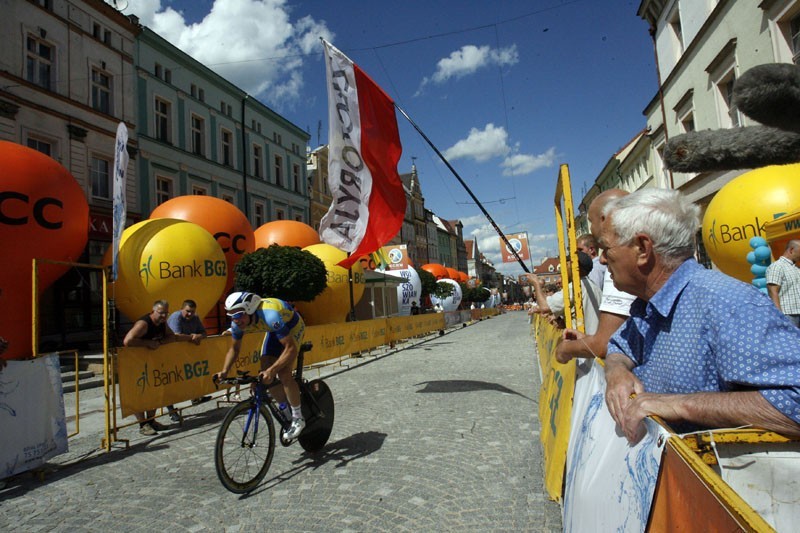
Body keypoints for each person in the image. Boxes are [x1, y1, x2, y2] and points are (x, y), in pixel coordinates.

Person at [600, 188, 800, 443]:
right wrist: (616, 371)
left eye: (606, 248)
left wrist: (680, 405)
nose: (603, 260)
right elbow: (620, 345)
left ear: (642, 248)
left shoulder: (728, 304)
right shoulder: (648, 302)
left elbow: (796, 399)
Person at [555, 189, 636, 363]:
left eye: (605, 247)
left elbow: (603, 343)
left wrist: (564, 348)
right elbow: (618, 342)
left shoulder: (621, 274)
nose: (602, 259)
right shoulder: (621, 270)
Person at [213, 292, 307, 441]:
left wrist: (273, 370)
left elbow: (291, 349)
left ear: (249, 309)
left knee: (283, 372)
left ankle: (298, 418)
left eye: (237, 315)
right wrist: (224, 371)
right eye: (231, 316)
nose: (235, 321)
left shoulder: (270, 315)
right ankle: (285, 410)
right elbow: (234, 349)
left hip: (292, 325)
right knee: (264, 371)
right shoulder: (237, 323)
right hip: (273, 330)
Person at [123, 300, 197, 435]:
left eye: (166, 313)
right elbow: (128, 341)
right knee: (139, 393)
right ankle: (143, 424)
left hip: (152, 363)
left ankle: (151, 421)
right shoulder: (143, 324)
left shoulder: (162, 324)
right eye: (161, 313)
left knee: (155, 391)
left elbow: (171, 336)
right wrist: (148, 343)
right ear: (153, 311)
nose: (164, 316)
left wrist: (189, 338)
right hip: (135, 363)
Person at [527, 251, 601, 335]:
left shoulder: (575, 287)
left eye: (568, 264)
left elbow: (545, 306)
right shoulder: (594, 287)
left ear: (576, 266)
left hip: (581, 342)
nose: (564, 267)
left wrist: (536, 283)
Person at [167, 299, 210, 411]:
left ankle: (195, 397)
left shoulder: (195, 317)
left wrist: (199, 336)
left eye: (192, 311)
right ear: (182, 309)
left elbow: (204, 333)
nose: (190, 314)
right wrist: (192, 337)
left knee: (192, 376)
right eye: (187, 311)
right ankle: (171, 410)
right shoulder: (176, 317)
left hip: (187, 355)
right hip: (172, 354)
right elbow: (176, 336)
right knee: (172, 382)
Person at [766, 240, 800, 326]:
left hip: (798, 311)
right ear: (791, 250)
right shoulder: (777, 266)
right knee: (791, 339)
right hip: (788, 314)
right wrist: (779, 315)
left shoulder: (796, 268)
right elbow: (773, 291)